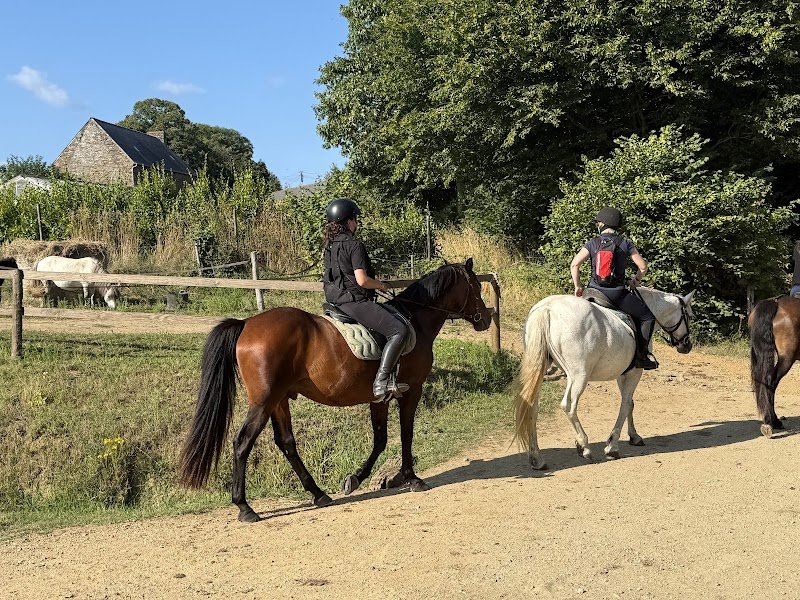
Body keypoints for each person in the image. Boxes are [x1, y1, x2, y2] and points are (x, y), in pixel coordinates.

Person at [321, 198, 411, 399]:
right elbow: (362, 280)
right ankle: (381, 381)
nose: (356, 223)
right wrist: (380, 285)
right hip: (354, 302)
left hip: (334, 301)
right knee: (399, 330)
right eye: (355, 219)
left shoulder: (329, 245)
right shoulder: (354, 245)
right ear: (348, 221)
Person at [569, 206, 659, 370]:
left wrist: (578, 286)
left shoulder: (592, 243)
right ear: (617, 225)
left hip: (593, 291)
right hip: (616, 295)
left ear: (601, 224)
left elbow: (575, 264)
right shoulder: (625, 243)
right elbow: (643, 267)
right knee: (647, 317)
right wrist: (636, 280)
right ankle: (642, 356)